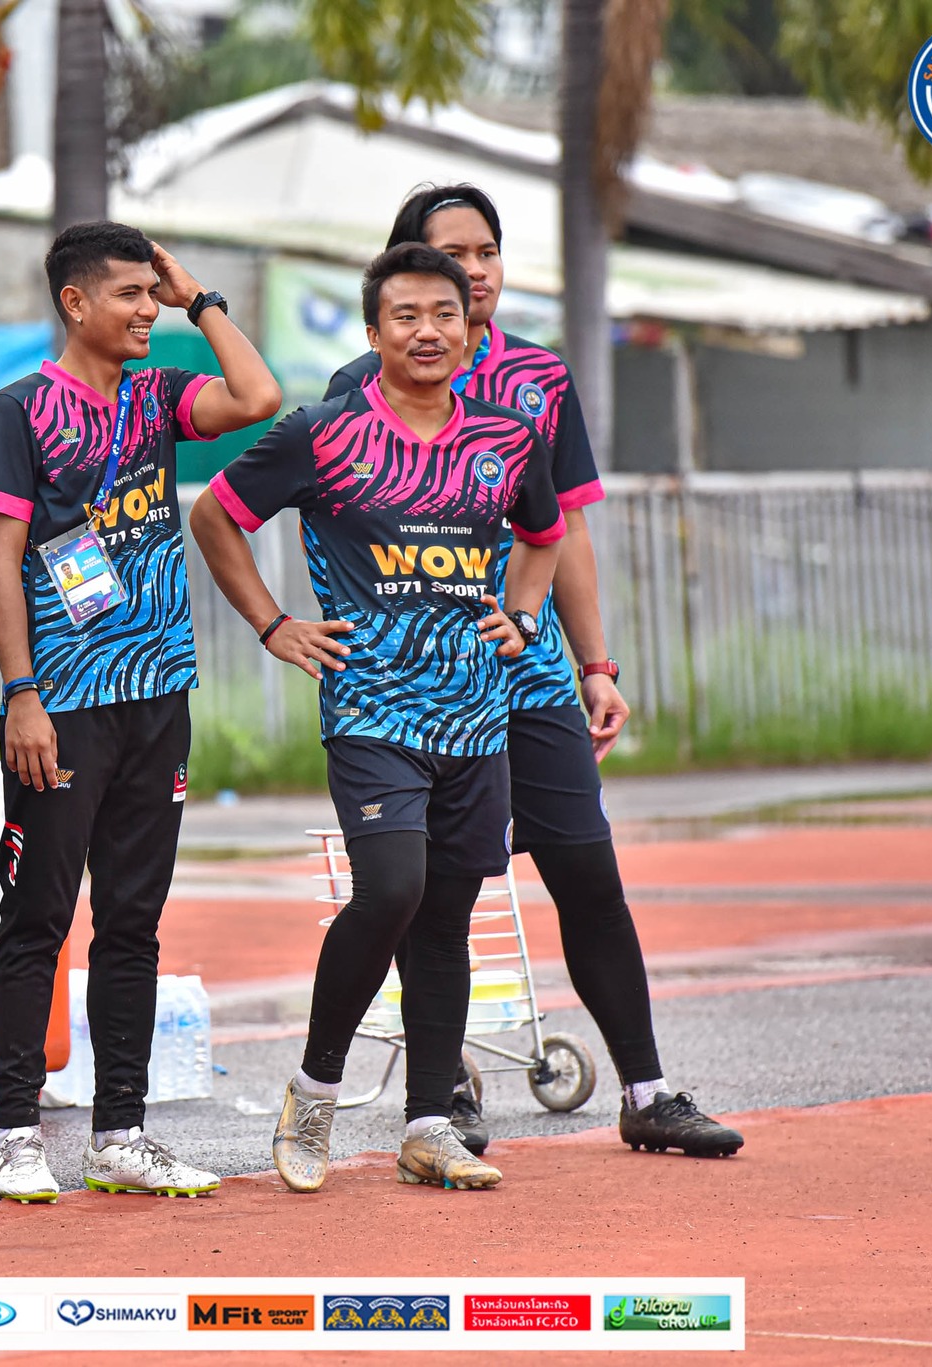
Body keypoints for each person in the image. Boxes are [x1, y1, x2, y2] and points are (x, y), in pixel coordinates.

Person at [327, 184, 743, 1159]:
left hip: (532, 680)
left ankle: (646, 1090)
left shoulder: (537, 376)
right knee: (437, 893)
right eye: (452, 254)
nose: (474, 271)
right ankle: (438, 1098)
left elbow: (565, 532)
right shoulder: (359, 386)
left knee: (587, 872)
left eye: (487, 251)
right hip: (421, 688)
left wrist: (594, 664)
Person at [190, 243, 565, 1193]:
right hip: (371, 707)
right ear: (373, 332)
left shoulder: (508, 437)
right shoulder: (323, 432)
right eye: (405, 315)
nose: (427, 331)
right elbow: (216, 517)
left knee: (447, 915)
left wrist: (522, 616)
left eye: (444, 313)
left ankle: (429, 1123)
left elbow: (546, 533)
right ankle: (314, 1091)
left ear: (470, 329)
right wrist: (273, 623)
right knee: (392, 886)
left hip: (477, 716)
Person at [0, 221, 283, 1202]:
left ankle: (120, 1133)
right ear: (74, 303)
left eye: (152, 294)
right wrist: (22, 694)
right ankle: (16, 1134)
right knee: (36, 916)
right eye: (130, 294)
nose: (147, 310)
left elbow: (257, 396)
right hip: (63, 706)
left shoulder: (157, 397)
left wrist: (201, 299)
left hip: (159, 697)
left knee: (133, 922)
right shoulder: (18, 411)